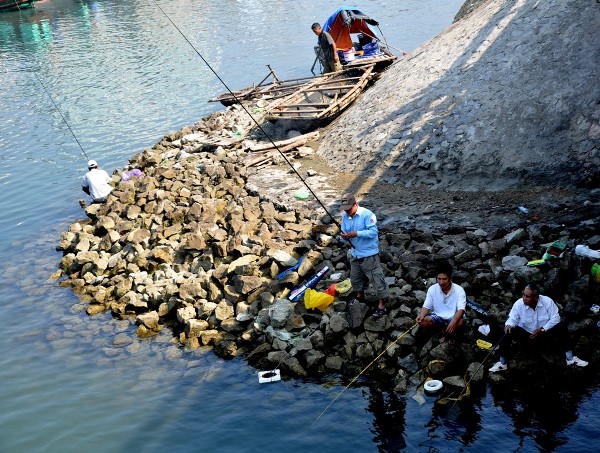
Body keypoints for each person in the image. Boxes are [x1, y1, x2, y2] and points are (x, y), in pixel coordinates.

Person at [489, 283, 588, 372]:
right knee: (505, 330)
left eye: (527, 296)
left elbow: (556, 318)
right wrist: (509, 325)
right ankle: (502, 363)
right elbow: (512, 319)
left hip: (544, 335)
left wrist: (542, 329)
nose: (524, 298)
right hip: (527, 336)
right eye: (523, 295)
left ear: (536, 298)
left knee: (561, 327)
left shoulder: (547, 302)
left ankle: (570, 359)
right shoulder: (518, 304)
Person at [340, 192, 389, 318]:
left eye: (349, 209)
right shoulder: (345, 217)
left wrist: (357, 233)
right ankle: (360, 296)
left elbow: (373, 232)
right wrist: (344, 237)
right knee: (355, 279)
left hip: (369, 254)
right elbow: (343, 234)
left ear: (355, 204)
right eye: (345, 210)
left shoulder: (367, 214)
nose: (347, 212)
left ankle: (382, 304)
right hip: (355, 253)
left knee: (377, 279)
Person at [416, 262, 466, 343]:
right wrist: (421, 315)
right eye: (439, 279)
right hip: (438, 316)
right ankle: (442, 330)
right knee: (423, 322)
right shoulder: (432, 289)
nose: (441, 282)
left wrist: (454, 321)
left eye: (444, 279)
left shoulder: (459, 290)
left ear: (450, 278)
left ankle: (447, 333)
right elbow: (426, 306)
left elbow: (461, 309)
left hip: (453, 317)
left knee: (460, 322)